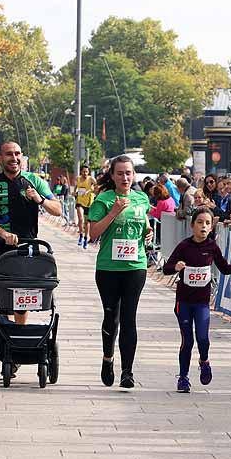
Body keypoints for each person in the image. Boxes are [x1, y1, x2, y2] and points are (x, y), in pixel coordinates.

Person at [163, 207, 231, 392]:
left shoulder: (212, 247)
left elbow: (225, 268)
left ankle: (204, 360)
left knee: (203, 338)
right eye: (200, 222)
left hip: (202, 303)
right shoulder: (184, 246)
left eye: (207, 223)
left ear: (212, 227)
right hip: (184, 302)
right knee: (187, 341)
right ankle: (183, 377)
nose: (203, 226)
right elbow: (167, 268)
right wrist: (176, 267)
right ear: (192, 225)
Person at [0, 141, 62, 325]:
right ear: (0, 158)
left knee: (22, 298)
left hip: (29, 248)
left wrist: (40, 200)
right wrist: (3, 233)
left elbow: (57, 209)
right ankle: (6, 335)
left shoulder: (34, 180)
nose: (14, 158)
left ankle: (19, 334)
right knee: (6, 299)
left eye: (17, 154)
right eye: (9, 154)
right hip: (2, 248)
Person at [89, 155, 152, 389]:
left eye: (129, 173)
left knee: (129, 318)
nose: (125, 177)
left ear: (133, 175)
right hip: (108, 267)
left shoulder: (141, 198)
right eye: (120, 173)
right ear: (112, 176)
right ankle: (108, 359)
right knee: (111, 317)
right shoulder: (104, 200)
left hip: (135, 266)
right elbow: (93, 233)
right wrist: (114, 211)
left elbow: (143, 222)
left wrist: (148, 233)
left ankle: (128, 371)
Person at [75, 164, 97, 248]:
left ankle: (85, 238)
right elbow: (76, 188)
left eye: (86, 172)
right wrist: (74, 193)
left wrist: (92, 189)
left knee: (87, 222)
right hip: (79, 201)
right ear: (81, 171)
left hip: (88, 202)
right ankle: (81, 235)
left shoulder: (91, 179)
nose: (85, 173)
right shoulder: (78, 178)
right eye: (83, 171)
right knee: (80, 218)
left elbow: (97, 186)